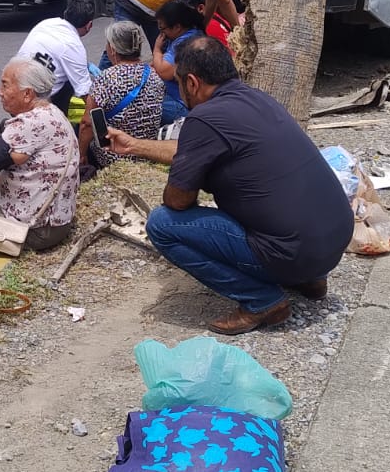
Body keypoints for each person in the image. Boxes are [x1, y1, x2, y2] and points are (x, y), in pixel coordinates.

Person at [107, 36, 352, 336]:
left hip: (293, 252)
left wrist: (192, 178)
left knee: (162, 224)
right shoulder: (258, 99)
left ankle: (261, 300)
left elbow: (178, 201)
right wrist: (134, 146)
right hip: (333, 242)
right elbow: (191, 149)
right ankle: (310, 280)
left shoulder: (204, 119)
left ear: (192, 83)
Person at [0, 58, 79, 265]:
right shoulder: (52, 113)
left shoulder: (29, 124)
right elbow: (23, 172)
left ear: (27, 94)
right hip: (47, 219)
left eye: (5, 85)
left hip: (36, 229)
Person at [81, 20, 164, 171]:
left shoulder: (106, 78)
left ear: (112, 49)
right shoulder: (154, 75)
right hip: (147, 153)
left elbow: (87, 123)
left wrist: (81, 155)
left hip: (114, 155)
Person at [17, 1, 97, 116]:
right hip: (34, 103)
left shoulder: (46, 23)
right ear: (89, 25)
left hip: (13, 92)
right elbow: (84, 92)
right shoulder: (74, 46)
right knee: (74, 87)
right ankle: (67, 125)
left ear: (65, 14)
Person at [151, 0, 207, 125]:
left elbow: (164, 71)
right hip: (177, 98)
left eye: (163, 29)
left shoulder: (186, 42)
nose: (161, 33)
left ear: (177, 27)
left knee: (142, 104)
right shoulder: (185, 35)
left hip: (181, 105)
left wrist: (157, 50)